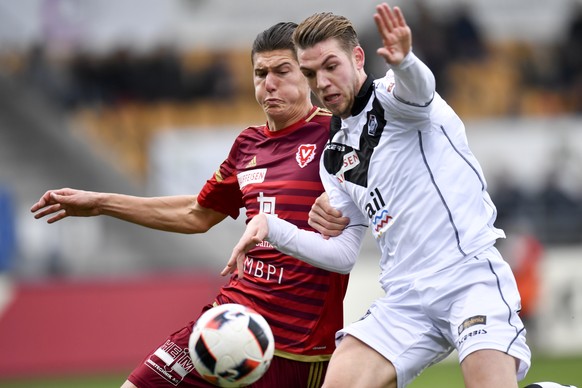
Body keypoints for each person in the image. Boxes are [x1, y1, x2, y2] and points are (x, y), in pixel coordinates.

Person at [225, 4, 533, 388]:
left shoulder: (394, 98)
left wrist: (404, 61)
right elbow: (341, 255)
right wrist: (271, 227)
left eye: (330, 66)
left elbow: (420, 89)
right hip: (405, 297)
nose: (322, 82)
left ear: (357, 58)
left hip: (467, 277)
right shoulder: (333, 156)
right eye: (309, 73)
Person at [31, 21, 351, 388]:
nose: (269, 84)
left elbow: (389, 191)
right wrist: (102, 202)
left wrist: (346, 194)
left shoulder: (338, 135)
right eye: (260, 73)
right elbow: (197, 213)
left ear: (308, 75)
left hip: (297, 347)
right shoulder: (248, 145)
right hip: (227, 320)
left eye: (282, 71)